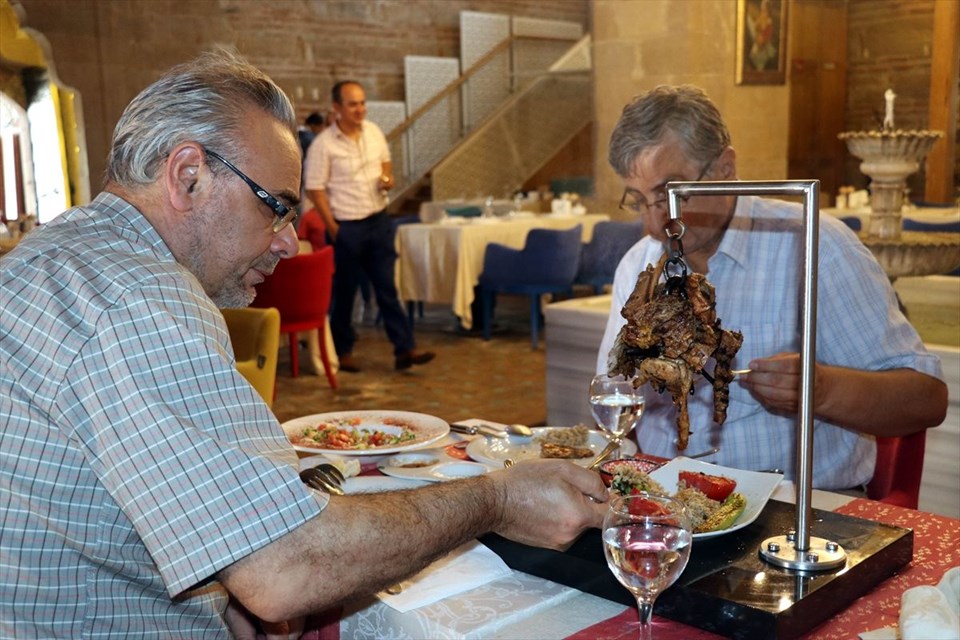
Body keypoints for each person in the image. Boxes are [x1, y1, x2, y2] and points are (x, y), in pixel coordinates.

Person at [0, 50, 608, 637]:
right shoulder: (141, 296)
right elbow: (286, 569)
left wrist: (219, 576)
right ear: (188, 176)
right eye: (276, 209)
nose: (289, 243)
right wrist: (497, 499)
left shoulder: (54, 255)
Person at [596, 85, 947, 491]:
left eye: (672, 195)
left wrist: (822, 389)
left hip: (800, 513)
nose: (656, 223)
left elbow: (927, 399)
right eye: (639, 200)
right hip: (670, 508)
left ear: (725, 169)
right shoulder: (639, 266)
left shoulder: (813, 246)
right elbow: (612, 395)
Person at [304, 80, 434, 372]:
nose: (359, 109)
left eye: (362, 103)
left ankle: (404, 349)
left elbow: (386, 164)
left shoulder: (374, 132)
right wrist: (333, 227)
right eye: (352, 104)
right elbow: (315, 189)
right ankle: (343, 350)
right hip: (346, 226)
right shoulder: (324, 145)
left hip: (378, 220)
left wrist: (387, 179)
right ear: (337, 108)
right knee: (345, 292)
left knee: (387, 287)